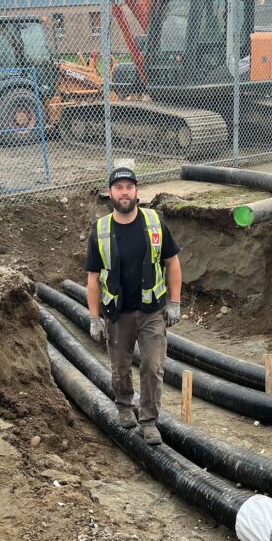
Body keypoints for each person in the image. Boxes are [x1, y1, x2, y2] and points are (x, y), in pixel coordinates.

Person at [85, 166, 182, 445]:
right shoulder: (100, 230)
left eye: (129, 187)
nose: (124, 192)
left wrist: (174, 302)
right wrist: (94, 318)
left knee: (153, 366)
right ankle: (125, 406)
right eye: (119, 188)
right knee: (120, 367)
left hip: (152, 311)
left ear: (137, 191)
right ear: (110, 193)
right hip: (118, 314)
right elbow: (93, 278)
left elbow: (172, 262)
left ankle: (149, 421)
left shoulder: (154, 222)